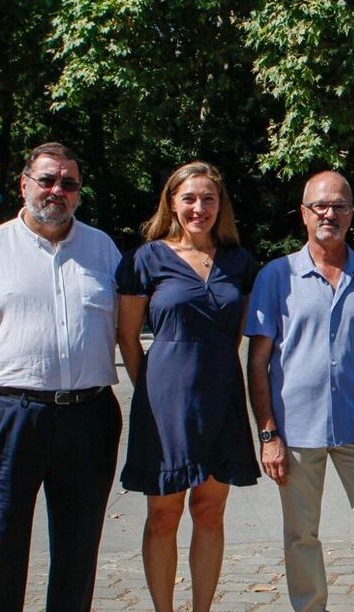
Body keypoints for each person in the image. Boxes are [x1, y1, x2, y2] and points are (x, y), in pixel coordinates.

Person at [0, 142, 123, 610]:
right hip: (6, 415)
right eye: (47, 180)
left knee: (78, 549)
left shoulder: (103, 249)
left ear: (78, 192)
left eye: (69, 183)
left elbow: (126, 325)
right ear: (24, 184)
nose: (57, 190)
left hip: (88, 416)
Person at [245, 170, 354, 612]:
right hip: (295, 430)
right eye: (320, 206)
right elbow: (257, 362)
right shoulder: (276, 277)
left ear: (352, 214)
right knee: (301, 534)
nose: (328, 214)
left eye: (338, 205)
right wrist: (268, 434)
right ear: (304, 213)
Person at [115, 161, 260, 611]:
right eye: (190, 198)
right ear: (172, 203)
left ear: (222, 205)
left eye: (209, 198)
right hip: (164, 404)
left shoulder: (240, 262)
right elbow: (127, 337)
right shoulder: (146, 259)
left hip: (221, 398)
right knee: (163, 514)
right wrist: (153, 389)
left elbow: (235, 335)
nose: (200, 207)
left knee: (210, 511)